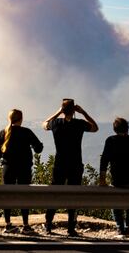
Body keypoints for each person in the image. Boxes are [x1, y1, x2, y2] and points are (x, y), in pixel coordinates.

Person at [43, 98, 98, 236]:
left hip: (60, 164)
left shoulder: (56, 123)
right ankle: (71, 228)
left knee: (55, 195)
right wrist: (83, 112)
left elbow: (44, 124)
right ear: (74, 110)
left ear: (62, 110)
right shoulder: (79, 124)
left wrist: (57, 113)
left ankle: (48, 224)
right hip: (75, 165)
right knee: (74, 195)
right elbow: (95, 127)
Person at [0, 109, 43, 234]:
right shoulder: (26, 132)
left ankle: (8, 224)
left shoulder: (3, 133)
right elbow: (38, 148)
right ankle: (26, 225)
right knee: (24, 195)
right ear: (21, 119)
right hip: (24, 168)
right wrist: (34, 146)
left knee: (7, 196)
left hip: (8, 168)